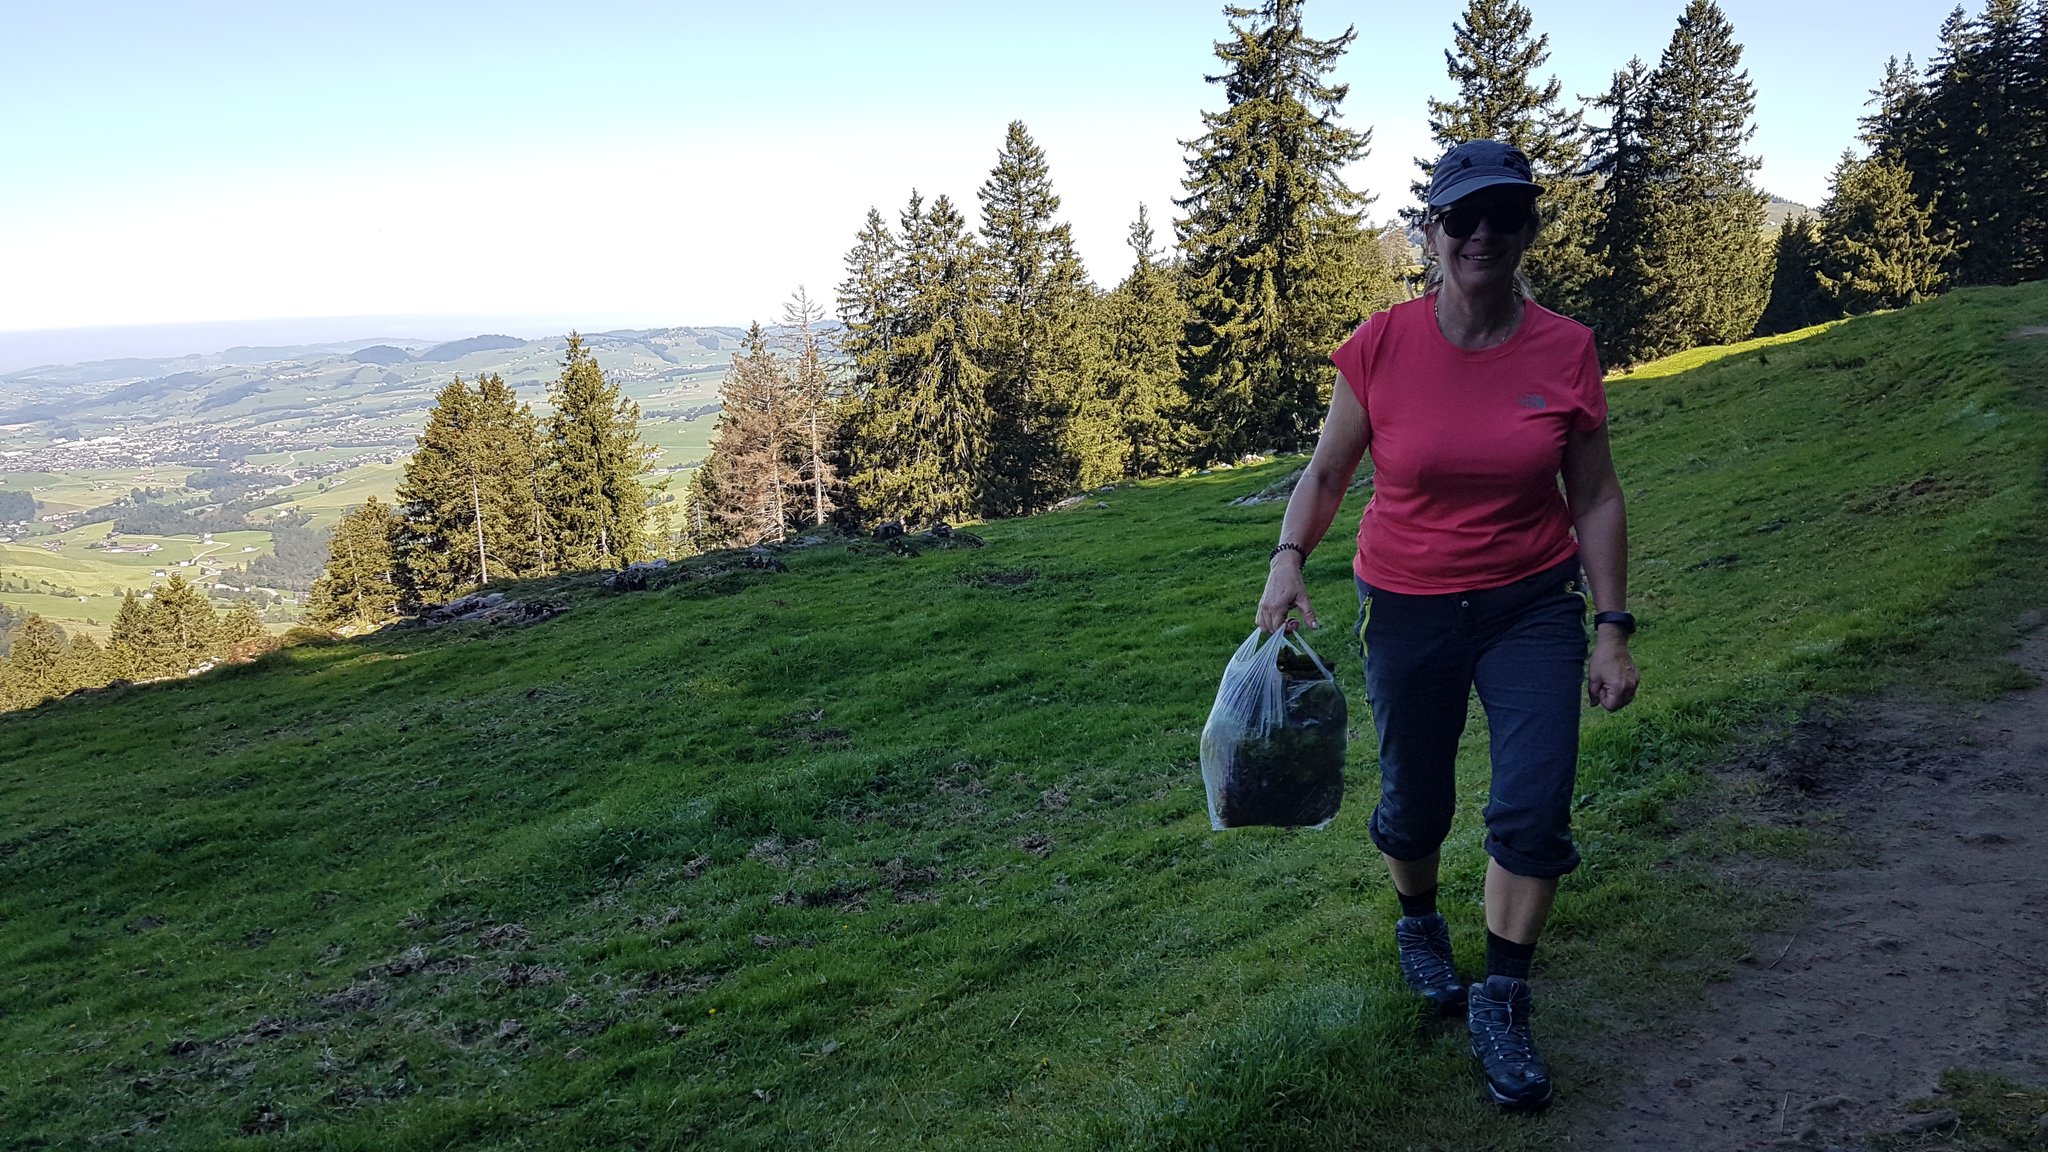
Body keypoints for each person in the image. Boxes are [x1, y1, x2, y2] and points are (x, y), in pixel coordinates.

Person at [1253, 139, 1638, 1111]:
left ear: (1526, 230)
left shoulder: (1565, 349)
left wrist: (1611, 626)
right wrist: (1288, 557)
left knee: (1533, 805)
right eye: (1461, 216)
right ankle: (1418, 920)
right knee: (1415, 802)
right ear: (1430, 232)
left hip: (1530, 606)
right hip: (1407, 605)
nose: (1481, 234)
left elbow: (1594, 496)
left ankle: (1501, 998)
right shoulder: (1380, 345)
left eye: (1503, 216)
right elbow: (1328, 471)